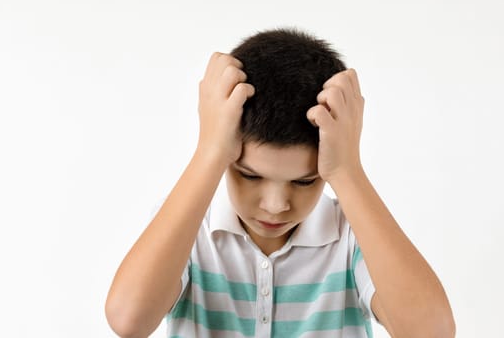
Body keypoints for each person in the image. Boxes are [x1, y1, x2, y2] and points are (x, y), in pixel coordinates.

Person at [105, 28, 455, 338]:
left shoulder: (353, 235)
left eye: (304, 182)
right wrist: (209, 151)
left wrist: (348, 170)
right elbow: (128, 320)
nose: (276, 205)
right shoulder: (187, 227)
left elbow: (432, 333)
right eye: (250, 175)